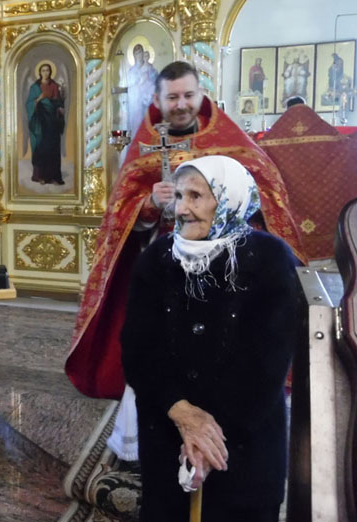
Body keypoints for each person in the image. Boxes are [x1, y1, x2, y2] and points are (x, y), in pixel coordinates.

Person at [66, 60, 304, 416]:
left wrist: (225, 203)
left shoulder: (230, 141)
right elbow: (121, 214)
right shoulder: (146, 145)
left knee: (227, 343)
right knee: (170, 343)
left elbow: (266, 193)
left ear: (201, 95)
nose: (181, 104)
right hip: (169, 266)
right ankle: (173, 409)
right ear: (158, 100)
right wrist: (149, 203)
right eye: (172, 97)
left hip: (228, 266)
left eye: (188, 95)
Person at [121, 156, 302, 522]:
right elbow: (138, 348)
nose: (181, 209)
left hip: (242, 446)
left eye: (196, 196)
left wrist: (208, 437)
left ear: (229, 199)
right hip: (167, 435)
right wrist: (181, 412)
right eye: (179, 196)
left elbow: (267, 362)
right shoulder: (157, 258)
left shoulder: (270, 259)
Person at [25, 61, 65, 185]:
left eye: (47, 70)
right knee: (41, 147)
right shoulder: (35, 88)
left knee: (53, 148)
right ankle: (40, 176)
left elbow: (58, 102)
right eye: (43, 70)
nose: (46, 73)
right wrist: (39, 98)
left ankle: (53, 177)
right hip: (40, 123)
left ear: (51, 72)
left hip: (52, 122)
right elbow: (29, 104)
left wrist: (60, 108)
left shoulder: (55, 86)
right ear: (40, 72)